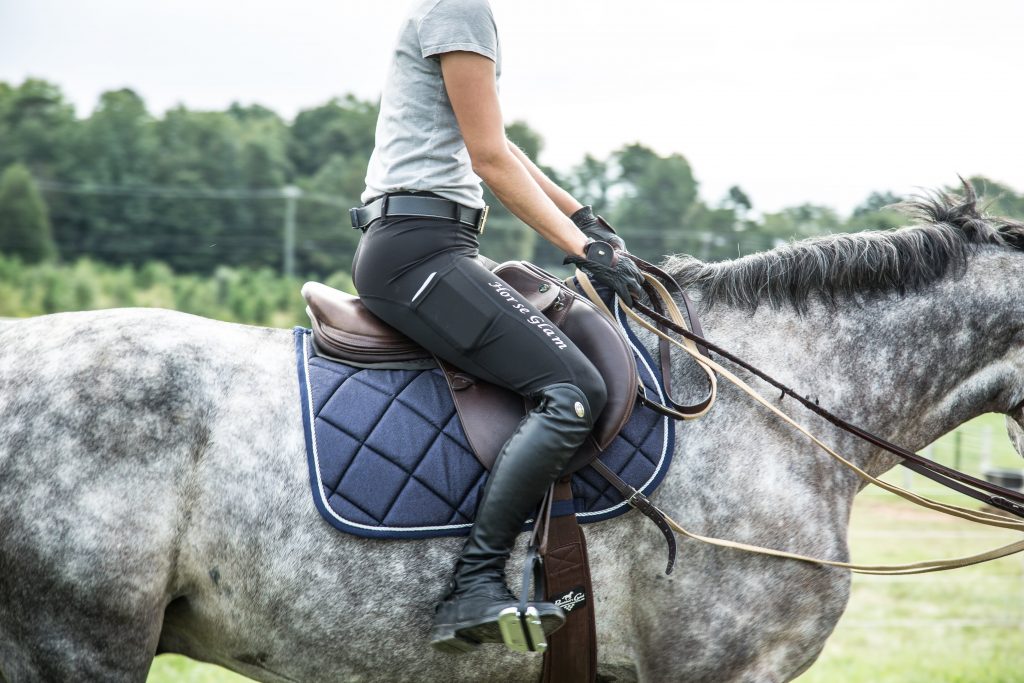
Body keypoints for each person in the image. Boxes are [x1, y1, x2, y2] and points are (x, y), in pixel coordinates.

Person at [350, 0, 644, 653]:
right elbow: (489, 159)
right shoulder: (460, 8)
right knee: (571, 389)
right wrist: (579, 247)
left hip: (434, 241)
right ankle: (475, 584)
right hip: (419, 250)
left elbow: (499, 143)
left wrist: (584, 218)